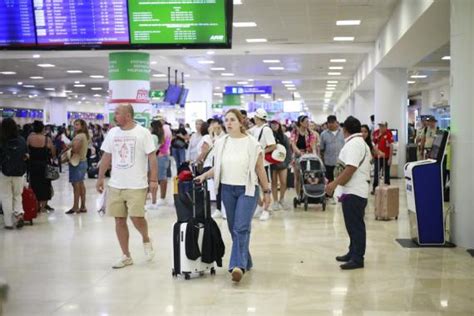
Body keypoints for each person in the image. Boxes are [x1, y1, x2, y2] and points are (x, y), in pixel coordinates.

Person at [195, 109, 271, 283]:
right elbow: (219, 168)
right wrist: (205, 175)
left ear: (241, 122)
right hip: (227, 190)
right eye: (226, 120)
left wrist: (266, 192)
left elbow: (260, 169)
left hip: (247, 189)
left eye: (232, 120)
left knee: (240, 227)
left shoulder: (252, 144)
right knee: (232, 228)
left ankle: (237, 266)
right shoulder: (222, 143)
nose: (228, 123)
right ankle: (246, 259)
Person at [96, 104, 158, 269]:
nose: (114, 116)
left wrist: (153, 180)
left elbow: (152, 158)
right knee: (119, 219)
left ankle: (145, 238)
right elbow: (106, 156)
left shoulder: (143, 133)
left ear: (128, 116)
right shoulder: (112, 133)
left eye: (117, 113)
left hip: (137, 184)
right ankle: (126, 255)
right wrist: (100, 177)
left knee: (137, 217)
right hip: (116, 184)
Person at [325, 116, 371, 270]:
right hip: (353, 190)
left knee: (356, 226)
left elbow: (350, 168)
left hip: (355, 192)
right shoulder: (358, 143)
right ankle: (352, 252)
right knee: (352, 225)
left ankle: (358, 258)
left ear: (345, 130)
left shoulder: (354, 145)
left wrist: (333, 184)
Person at [0, 118, 28, 229]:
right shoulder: (21, 140)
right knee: (17, 195)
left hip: (4, 172)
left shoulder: (1, 140)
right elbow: (26, 156)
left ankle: (8, 223)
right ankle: (19, 214)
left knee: (6, 196)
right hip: (19, 172)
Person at [251, 108, 276, 221]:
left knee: (265, 187)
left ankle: (266, 209)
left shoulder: (266, 130)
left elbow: (272, 146)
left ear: (257, 118)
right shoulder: (255, 129)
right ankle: (260, 206)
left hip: (263, 164)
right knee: (254, 186)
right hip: (253, 163)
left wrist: (261, 152)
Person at [27, 120, 55, 213]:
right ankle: (43, 207)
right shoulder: (47, 139)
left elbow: (26, 151)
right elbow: (53, 152)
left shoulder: (30, 138)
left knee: (34, 185)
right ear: (43, 128)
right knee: (46, 185)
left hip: (33, 165)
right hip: (44, 165)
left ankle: (36, 206)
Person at [65, 119, 90, 214]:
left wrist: (68, 148)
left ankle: (75, 207)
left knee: (76, 185)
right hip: (83, 162)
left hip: (77, 163)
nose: (75, 126)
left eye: (77, 124)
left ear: (82, 126)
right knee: (81, 185)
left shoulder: (79, 136)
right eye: (74, 124)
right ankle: (83, 206)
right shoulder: (85, 136)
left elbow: (75, 149)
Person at [290, 115, 317, 199]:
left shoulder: (310, 133)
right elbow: (293, 144)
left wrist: (315, 155)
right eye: (306, 122)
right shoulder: (294, 132)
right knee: (297, 176)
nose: (308, 123)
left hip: (308, 155)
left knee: (309, 175)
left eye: (308, 121)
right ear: (301, 123)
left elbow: (313, 145)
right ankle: (298, 195)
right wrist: (299, 153)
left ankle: (309, 193)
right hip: (297, 156)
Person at [320, 115, 345, 201]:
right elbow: (322, 149)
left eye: (332, 123)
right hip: (329, 161)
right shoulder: (323, 134)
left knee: (342, 179)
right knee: (330, 179)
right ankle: (329, 196)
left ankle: (342, 196)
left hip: (341, 162)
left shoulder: (343, 132)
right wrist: (323, 161)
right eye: (329, 123)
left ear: (336, 122)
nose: (330, 125)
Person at [269, 120, 292, 210]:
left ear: (279, 125)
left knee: (283, 182)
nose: (274, 126)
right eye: (272, 124)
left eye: (276, 124)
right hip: (272, 163)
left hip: (283, 163)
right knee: (274, 183)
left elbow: (288, 150)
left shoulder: (284, 137)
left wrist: (287, 162)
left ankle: (282, 199)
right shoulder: (269, 136)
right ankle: (275, 201)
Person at [153, 114, 172, 206]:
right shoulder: (161, 129)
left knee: (162, 177)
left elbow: (165, 141)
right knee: (158, 177)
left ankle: (162, 197)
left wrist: (161, 150)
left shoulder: (165, 128)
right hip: (159, 155)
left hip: (162, 155)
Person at [372, 121, 393, 193]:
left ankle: (387, 188)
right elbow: (373, 144)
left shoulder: (389, 133)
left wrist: (390, 158)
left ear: (386, 127)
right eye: (380, 126)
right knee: (376, 173)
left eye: (382, 126)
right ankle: (375, 188)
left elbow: (391, 146)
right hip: (377, 157)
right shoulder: (376, 133)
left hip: (386, 157)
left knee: (386, 173)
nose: (381, 127)